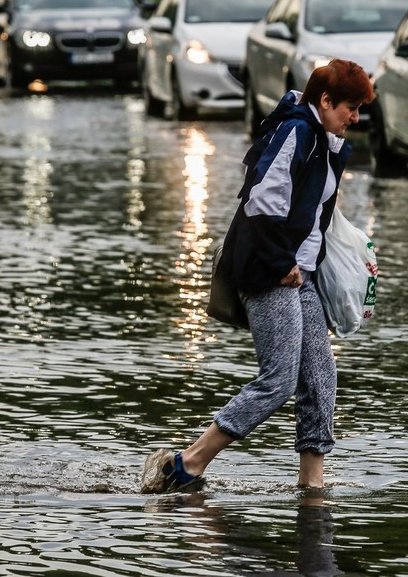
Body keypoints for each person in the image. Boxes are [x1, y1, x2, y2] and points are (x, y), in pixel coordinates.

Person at [141, 59, 373, 494]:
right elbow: (261, 200)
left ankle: (312, 483)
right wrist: (280, 261)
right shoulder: (298, 132)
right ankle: (187, 461)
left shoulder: (325, 141)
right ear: (325, 100)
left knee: (321, 378)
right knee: (279, 379)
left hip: (299, 273)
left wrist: (335, 263)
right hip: (268, 272)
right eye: (351, 107)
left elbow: (316, 212)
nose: (355, 118)